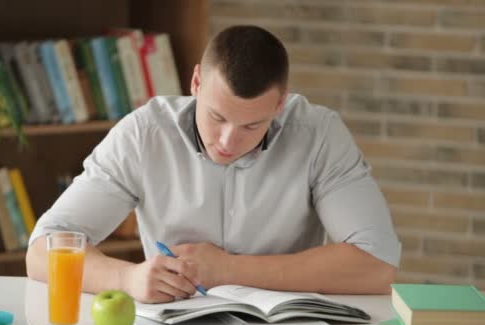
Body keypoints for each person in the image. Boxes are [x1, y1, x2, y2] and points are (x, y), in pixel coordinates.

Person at [26, 25, 401, 304]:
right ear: (195, 82)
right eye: (217, 117)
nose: (227, 142)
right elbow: (42, 250)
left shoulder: (320, 135)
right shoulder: (144, 133)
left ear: (280, 105)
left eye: (252, 125)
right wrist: (127, 279)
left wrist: (228, 269)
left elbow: (377, 264)